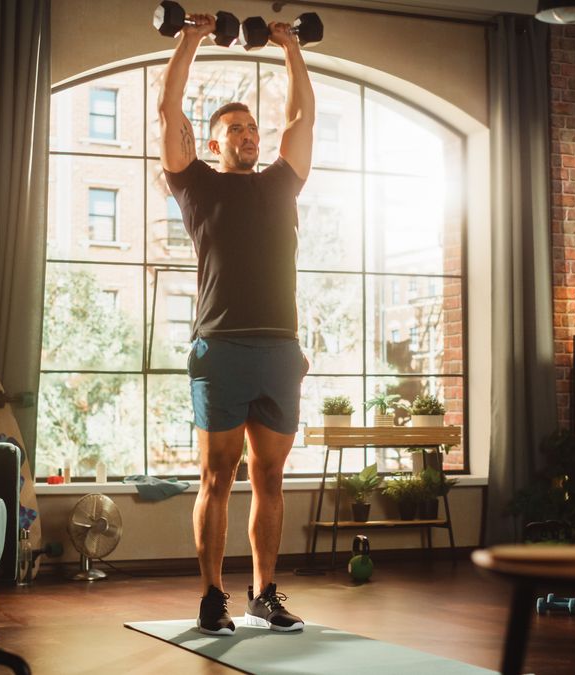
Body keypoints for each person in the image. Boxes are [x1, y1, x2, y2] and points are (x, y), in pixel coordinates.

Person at [158, 12, 315, 636]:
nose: (249, 136)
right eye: (236, 130)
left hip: (280, 347)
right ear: (213, 142)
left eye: (252, 129)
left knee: (270, 476)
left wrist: (291, 47)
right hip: (220, 346)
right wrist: (190, 38)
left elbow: (302, 118)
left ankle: (265, 593)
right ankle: (211, 597)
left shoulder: (282, 182)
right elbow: (168, 109)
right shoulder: (194, 186)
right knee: (216, 476)